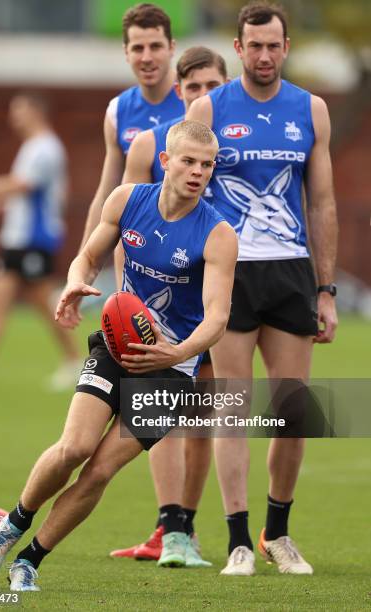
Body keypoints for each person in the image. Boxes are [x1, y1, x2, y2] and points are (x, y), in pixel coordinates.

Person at [0, 120, 237, 591]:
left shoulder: (218, 233)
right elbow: (88, 255)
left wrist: (175, 353)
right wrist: (75, 280)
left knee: (100, 471)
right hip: (117, 345)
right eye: (190, 161)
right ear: (166, 161)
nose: (199, 171)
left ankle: (29, 561)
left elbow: (216, 319)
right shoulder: (127, 200)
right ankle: (12, 524)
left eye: (208, 164)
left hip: (171, 371)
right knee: (74, 447)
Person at [187, 1, 338, 576]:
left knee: (293, 412)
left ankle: (278, 532)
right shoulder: (210, 108)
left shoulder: (311, 109)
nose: (265, 55)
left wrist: (325, 288)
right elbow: (189, 191)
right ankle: (238, 542)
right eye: (255, 45)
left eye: (274, 45)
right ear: (238, 47)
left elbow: (321, 202)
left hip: (291, 271)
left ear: (287, 47)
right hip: (230, 274)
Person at [109, 46, 228, 562]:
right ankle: (170, 526)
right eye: (195, 86)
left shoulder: (227, 145)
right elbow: (120, 227)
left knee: (205, 414)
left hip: (217, 286)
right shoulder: (151, 144)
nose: (204, 95)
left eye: (213, 86)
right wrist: (124, 301)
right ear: (181, 91)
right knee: (165, 411)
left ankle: (187, 527)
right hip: (161, 301)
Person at [0, 92, 81, 391]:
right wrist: (5, 198)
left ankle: (75, 361)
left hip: (33, 238)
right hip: (19, 237)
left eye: (18, 111)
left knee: (45, 303)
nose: (13, 117)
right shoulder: (35, 147)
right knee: (0, 297)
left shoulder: (45, 148)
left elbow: (23, 184)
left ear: (35, 112)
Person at [79, 2, 184, 248]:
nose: (147, 57)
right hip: (145, 247)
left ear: (171, 48)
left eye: (155, 46)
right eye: (138, 48)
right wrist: (82, 264)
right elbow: (107, 193)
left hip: (193, 244)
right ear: (126, 52)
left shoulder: (196, 100)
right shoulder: (118, 110)